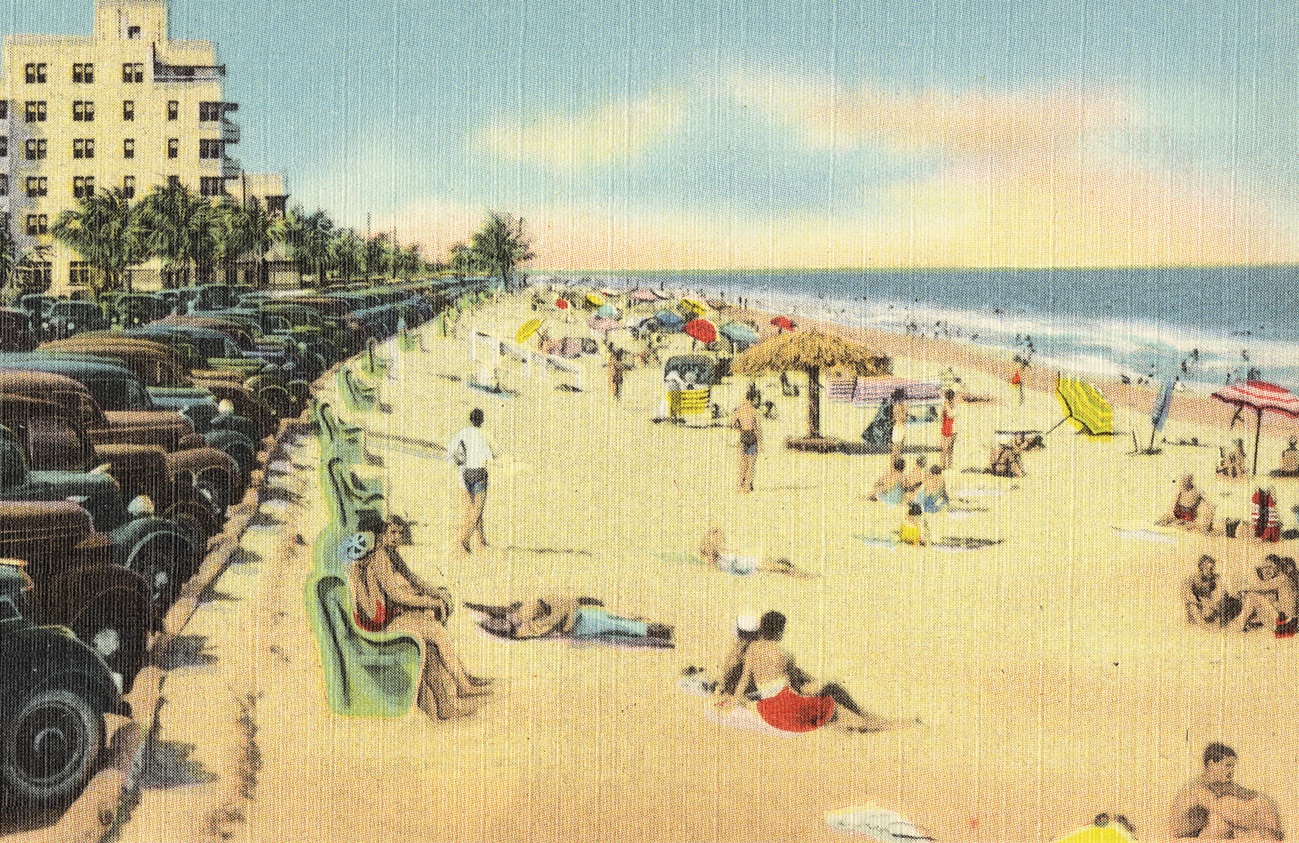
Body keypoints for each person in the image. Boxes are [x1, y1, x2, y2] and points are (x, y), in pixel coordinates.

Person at [349, 518, 492, 720]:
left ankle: (446, 703)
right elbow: (395, 596)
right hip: (380, 623)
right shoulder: (380, 556)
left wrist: (436, 595)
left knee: (432, 640)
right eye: (391, 533)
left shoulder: (388, 554)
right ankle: (462, 686)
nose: (396, 537)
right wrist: (429, 602)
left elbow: (413, 579)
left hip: (384, 618)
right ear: (380, 536)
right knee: (436, 632)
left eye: (399, 533)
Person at [714, 611, 915, 734]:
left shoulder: (751, 650)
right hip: (790, 710)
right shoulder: (784, 655)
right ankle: (900, 725)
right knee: (841, 702)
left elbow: (742, 681)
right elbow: (798, 688)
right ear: (780, 633)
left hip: (767, 711)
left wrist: (731, 703)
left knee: (830, 694)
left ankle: (857, 718)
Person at [1169, 743, 1283, 840]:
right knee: (1218, 821)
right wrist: (1258, 826)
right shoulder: (1197, 788)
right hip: (1190, 837)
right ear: (1211, 764)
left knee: (1261, 802)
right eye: (1228, 765)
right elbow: (1228, 815)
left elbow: (1247, 794)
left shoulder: (1224, 784)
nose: (1231, 770)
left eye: (1233, 766)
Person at [468, 594, 674, 643]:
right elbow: (556, 625)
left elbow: (500, 609)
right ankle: (650, 630)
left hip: (577, 615)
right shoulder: (529, 627)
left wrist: (479, 607)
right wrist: (570, 607)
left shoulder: (519, 612)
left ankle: (645, 627)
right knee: (614, 624)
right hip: (578, 623)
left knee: (614, 620)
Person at [446, 408, 499, 554]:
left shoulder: (462, 432)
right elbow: (490, 456)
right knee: (477, 510)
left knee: (473, 510)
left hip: (464, 474)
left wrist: (456, 463)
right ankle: (464, 540)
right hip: (479, 473)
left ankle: (481, 542)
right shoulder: (482, 435)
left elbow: (449, 452)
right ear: (481, 421)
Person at [698, 527, 812, 578]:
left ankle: (797, 573)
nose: (720, 540)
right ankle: (803, 575)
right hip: (743, 565)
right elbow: (713, 566)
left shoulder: (713, 549)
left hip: (742, 562)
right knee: (778, 567)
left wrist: (731, 550)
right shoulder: (710, 553)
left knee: (776, 566)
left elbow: (721, 552)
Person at [1234, 556, 1295, 633]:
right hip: (1284, 621)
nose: (1267, 569)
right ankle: (1240, 625)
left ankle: (1237, 627)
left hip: (1285, 623)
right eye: (1264, 567)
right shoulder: (1283, 581)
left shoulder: (1282, 578)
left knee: (1252, 596)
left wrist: (1240, 588)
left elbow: (1260, 587)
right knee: (1252, 597)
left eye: (1270, 566)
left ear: (1277, 567)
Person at [1182, 555, 1228, 626]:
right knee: (1192, 606)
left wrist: (1211, 604)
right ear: (1201, 569)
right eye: (1207, 568)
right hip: (1198, 607)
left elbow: (1221, 592)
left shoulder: (1216, 578)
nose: (1210, 571)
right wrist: (1202, 603)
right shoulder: (1192, 579)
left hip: (1211, 607)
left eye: (1212, 568)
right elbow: (1187, 595)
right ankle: (1202, 627)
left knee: (1221, 605)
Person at [731, 387, 761, 493]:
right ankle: (747, 488)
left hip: (743, 436)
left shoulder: (739, 409)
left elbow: (732, 424)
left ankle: (739, 487)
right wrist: (760, 443)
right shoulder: (754, 410)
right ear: (753, 399)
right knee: (750, 465)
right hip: (752, 437)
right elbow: (756, 428)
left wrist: (740, 429)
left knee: (742, 465)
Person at [939, 389, 956, 469]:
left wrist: (946, 405)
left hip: (947, 428)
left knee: (945, 449)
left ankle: (943, 465)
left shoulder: (948, 405)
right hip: (950, 427)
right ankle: (949, 465)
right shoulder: (952, 404)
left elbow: (950, 415)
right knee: (949, 449)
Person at [889, 387, 908, 460]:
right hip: (899, 428)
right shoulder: (898, 406)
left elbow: (894, 418)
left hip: (897, 427)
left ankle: (894, 468)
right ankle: (893, 469)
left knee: (896, 450)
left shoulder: (895, 405)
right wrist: (905, 410)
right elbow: (902, 418)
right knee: (896, 450)